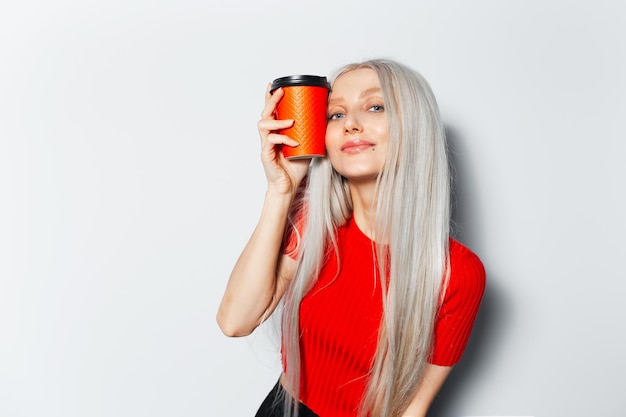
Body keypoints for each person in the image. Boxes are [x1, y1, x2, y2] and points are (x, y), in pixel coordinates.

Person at [216, 58, 486, 417]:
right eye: (335, 115)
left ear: (415, 127)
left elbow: (411, 409)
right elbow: (235, 321)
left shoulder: (457, 273)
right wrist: (282, 190)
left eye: (375, 106)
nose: (351, 125)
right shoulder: (313, 222)